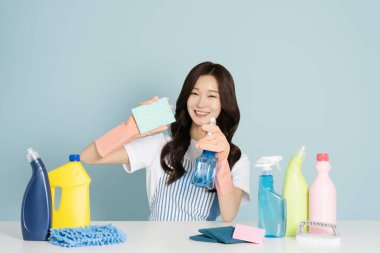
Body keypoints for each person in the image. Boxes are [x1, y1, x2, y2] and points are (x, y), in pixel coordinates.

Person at [81, 61, 250, 222]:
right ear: (186, 97)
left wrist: (221, 162)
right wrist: (131, 127)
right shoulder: (160, 146)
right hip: (156, 245)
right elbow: (88, 157)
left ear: (224, 103)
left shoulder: (236, 159)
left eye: (212, 96)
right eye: (194, 93)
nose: (201, 103)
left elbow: (228, 214)